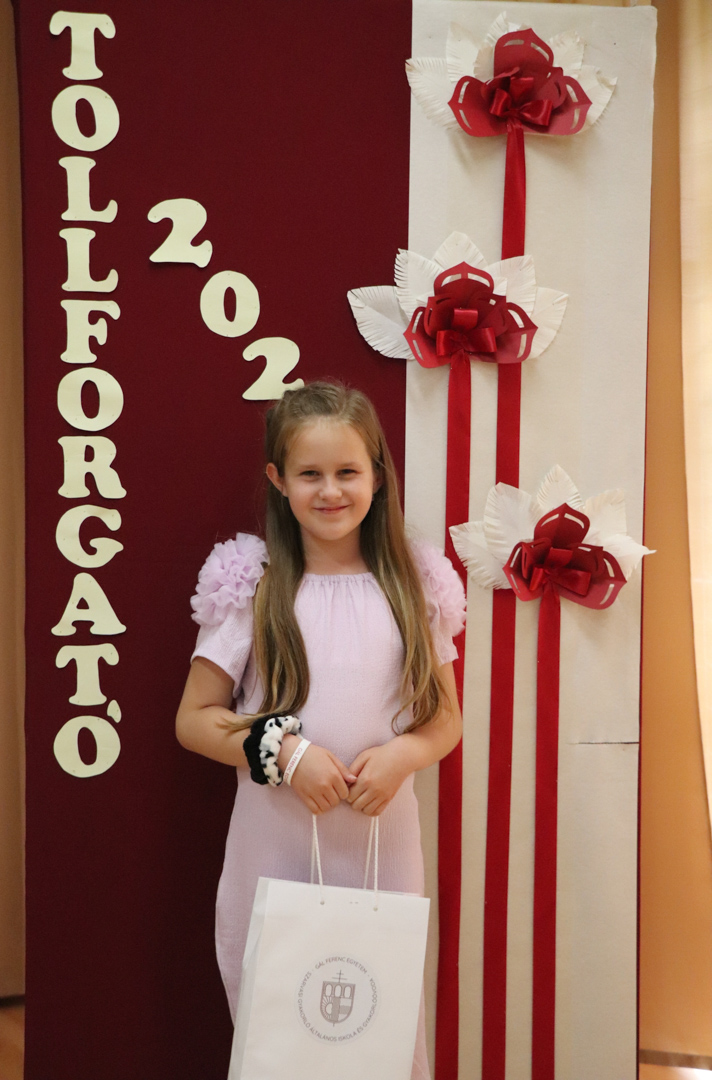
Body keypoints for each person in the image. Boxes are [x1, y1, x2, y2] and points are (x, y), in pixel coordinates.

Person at [176, 381, 465, 1080]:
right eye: (310, 474)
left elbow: (445, 719)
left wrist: (404, 754)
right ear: (278, 480)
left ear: (378, 476)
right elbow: (194, 720)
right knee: (283, 1030)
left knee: (379, 1027)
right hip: (273, 849)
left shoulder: (413, 584)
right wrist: (286, 753)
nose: (330, 491)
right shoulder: (253, 584)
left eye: (347, 472)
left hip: (383, 849)